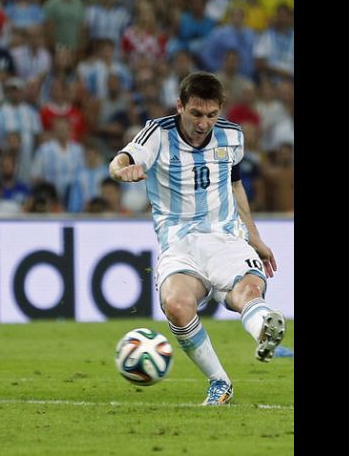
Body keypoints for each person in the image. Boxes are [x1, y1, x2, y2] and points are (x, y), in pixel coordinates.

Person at [108, 71, 286, 406]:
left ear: (220, 110)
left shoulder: (232, 137)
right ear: (180, 106)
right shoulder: (158, 134)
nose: (204, 123)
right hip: (180, 244)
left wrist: (255, 237)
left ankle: (265, 327)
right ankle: (220, 382)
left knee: (248, 291)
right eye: (196, 114)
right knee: (176, 304)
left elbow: (235, 186)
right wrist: (121, 171)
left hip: (226, 238)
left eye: (211, 115)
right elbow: (121, 160)